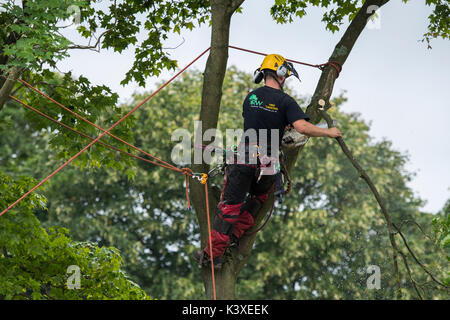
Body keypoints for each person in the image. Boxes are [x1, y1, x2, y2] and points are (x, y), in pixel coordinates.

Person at [193, 54, 342, 268]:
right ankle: (234, 235)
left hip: (244, 158)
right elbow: (302, 127)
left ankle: (212, 255)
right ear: (282, 74)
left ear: (262, 74)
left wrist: (281, 123)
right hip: (267, 165)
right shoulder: (286, 101)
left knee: (229, 208)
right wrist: (329, 132)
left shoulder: (251, 97)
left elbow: (260, 120)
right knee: (259, 197)